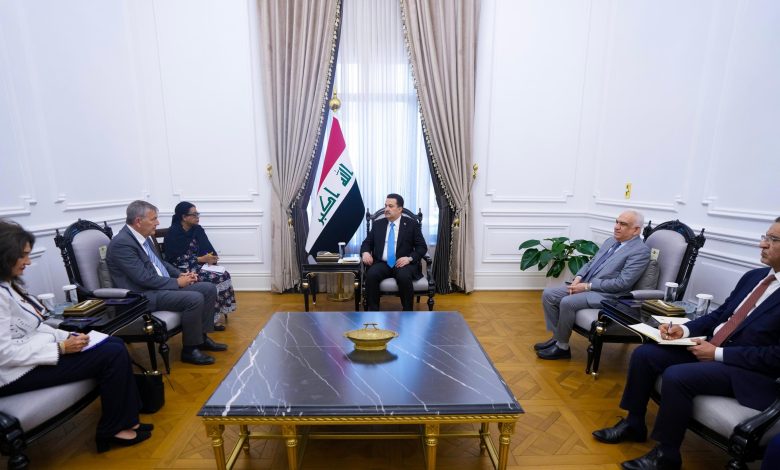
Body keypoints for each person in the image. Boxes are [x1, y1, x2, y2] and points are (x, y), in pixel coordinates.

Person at [592, 217, 780, 470]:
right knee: (645, 355)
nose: (762, 244)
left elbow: (776, 356)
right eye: (765, 237)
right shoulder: (754, 277)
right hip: (712, 347)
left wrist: (718, 354)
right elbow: (720, 314)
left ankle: (666, 455)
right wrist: (684, 329)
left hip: (747, 371)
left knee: (677, 376)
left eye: (773, 240)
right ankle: (634, 423)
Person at [0, 219, 153, 452]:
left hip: (33, 355)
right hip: (14, 373)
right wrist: (61, 348)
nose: (29, 262)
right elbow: (5, 354)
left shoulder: (8, 284)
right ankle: (112, 430)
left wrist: (67, 335)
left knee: (113, 342)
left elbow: (35, 325)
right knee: (111, 354)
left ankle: (128, 420)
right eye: (23, 256)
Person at [107, 200, 227, 366]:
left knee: (208, 288)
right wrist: (177, 282)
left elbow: (161, 263)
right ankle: (190, 350)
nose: (157, 223)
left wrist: (180, 274)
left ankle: (201, 338)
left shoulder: (144, 237)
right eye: (154, 219)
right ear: (138, 221)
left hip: (159, 287)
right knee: (194, 298)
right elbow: (143, 278)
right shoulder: (122, 244)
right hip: (142, 296)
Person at [535, 210, 650, 360]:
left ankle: (562, 347)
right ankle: (557, 338)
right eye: (617, 222)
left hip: (609, 295)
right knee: (549, 294)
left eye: (623, 224)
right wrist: (578, 278)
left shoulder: (640, 252)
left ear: (636, 230)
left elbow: (623, 283)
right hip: (586, 284)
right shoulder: (611, 241)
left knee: (568, 302)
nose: (616, 227)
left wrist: (587, 286)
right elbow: (591, 262)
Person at [164, 202, 236, 330]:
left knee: (223, 274)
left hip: (198, 266)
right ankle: (210, 321)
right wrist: (200, 259)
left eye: (197, 214)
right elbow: (174, 259)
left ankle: (215, 315)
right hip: (181, 270)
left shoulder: (197, 229)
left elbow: (207, 248)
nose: (197, 217)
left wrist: (211, 257)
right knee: (213, 278)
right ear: (184, 217)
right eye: (194, 214)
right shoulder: (173, 233)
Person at [361, 193, 427, 311]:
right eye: (385, 206)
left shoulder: (411, 224)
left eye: (390, 206)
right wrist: (365, 252)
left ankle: (407, 312)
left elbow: (422, 247)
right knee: (371, 275)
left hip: (403, 263)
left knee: (404, 276)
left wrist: (409, 258)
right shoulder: (378, 224)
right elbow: (367, 243)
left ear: (400, 209)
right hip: (382, 263)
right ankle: (373, 313)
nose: (386, 209)